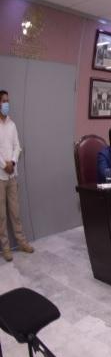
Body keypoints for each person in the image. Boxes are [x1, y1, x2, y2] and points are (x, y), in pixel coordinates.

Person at [0, 90, 33, 262]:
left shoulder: (12, 125)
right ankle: (6, 249)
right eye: (4, 101)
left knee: (15, 212)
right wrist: (3, 165)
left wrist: (12, 162)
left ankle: (21, 242)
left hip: (12, 174)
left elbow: (17, 146)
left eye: (8, 101)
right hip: (0, 176)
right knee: (1, 215)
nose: (6, 104)